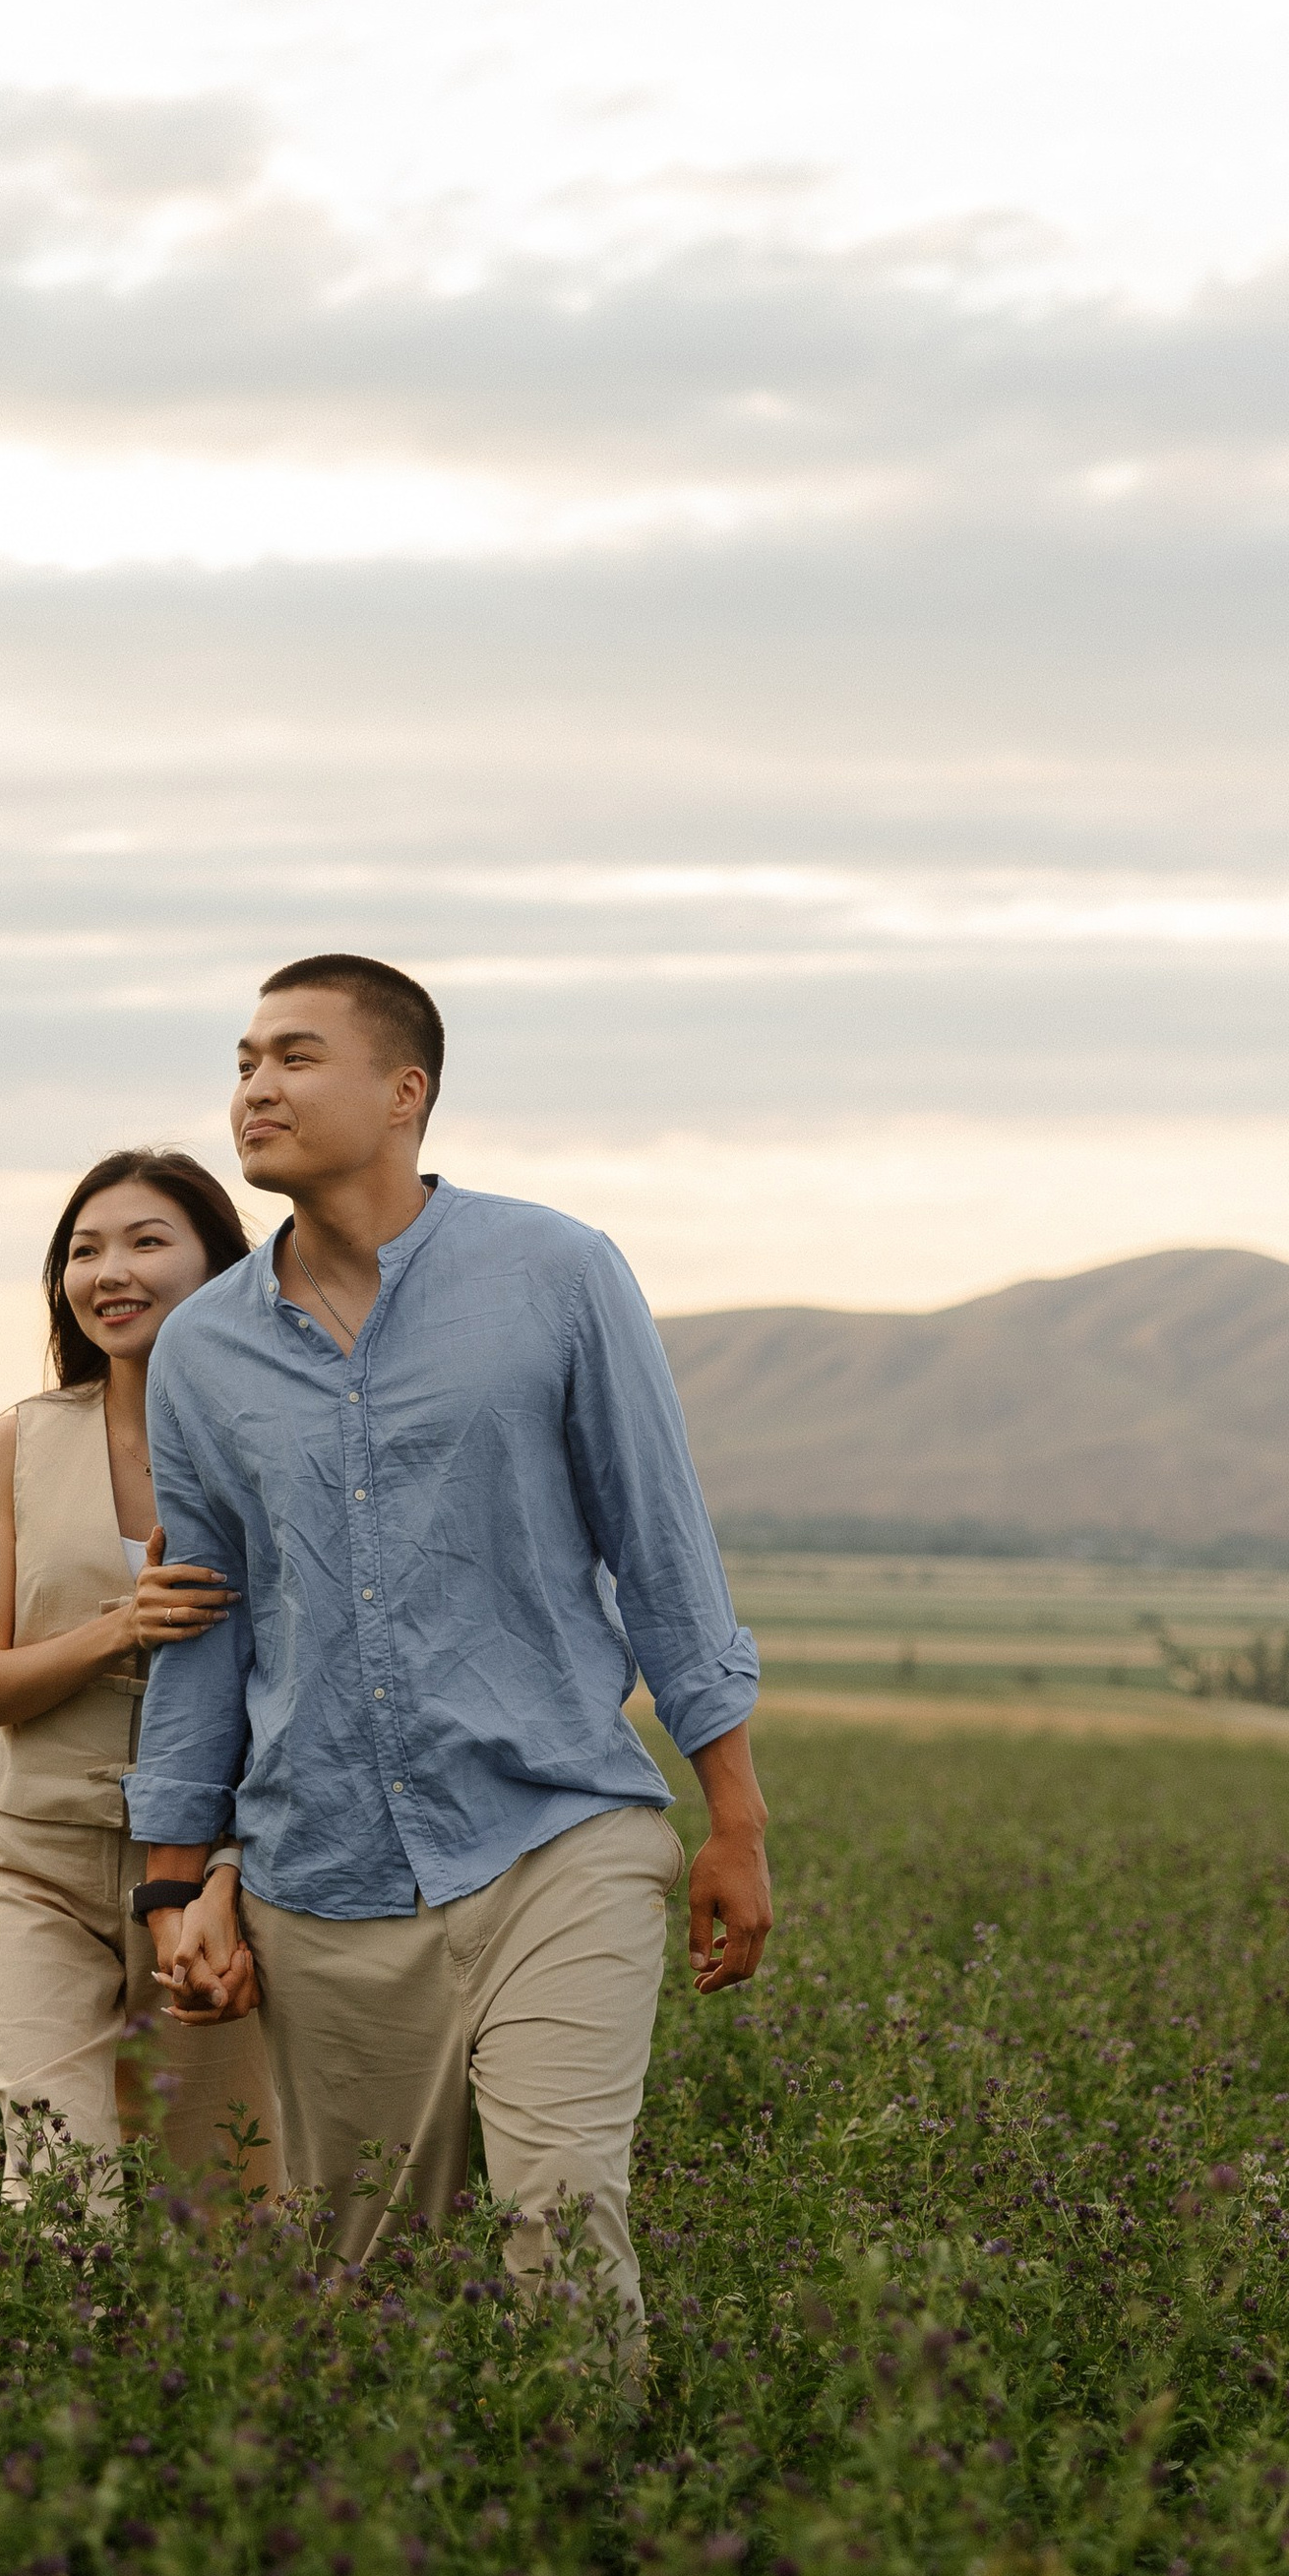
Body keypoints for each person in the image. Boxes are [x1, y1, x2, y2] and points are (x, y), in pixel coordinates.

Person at [125, 953, 771, 2325]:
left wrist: (735, 1819)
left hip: (559, 1836)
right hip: (321, 1877)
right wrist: (174, 1885)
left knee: (561, 2198)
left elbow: (662, 1547)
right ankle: (415, 2531)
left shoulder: (557, 1272)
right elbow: (203, 1629)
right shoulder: (201, 1353)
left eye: (294, 1057)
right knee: (367, 2279)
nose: (255, 1088)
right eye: (243, 1062)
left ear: (405, 1091)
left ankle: (595, 2516)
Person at [0, 1149, 280, 2206]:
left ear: (219, 1266)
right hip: (28, 1851)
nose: (108, 1272)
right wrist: (115, 1630)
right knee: (58, 2176)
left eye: (145, 1242)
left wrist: (225, 1873)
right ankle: (56, 2369)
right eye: (83, 1250)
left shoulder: (283, 1448)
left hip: (222, 1871)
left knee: (225, 2190)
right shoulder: (19, 1442)